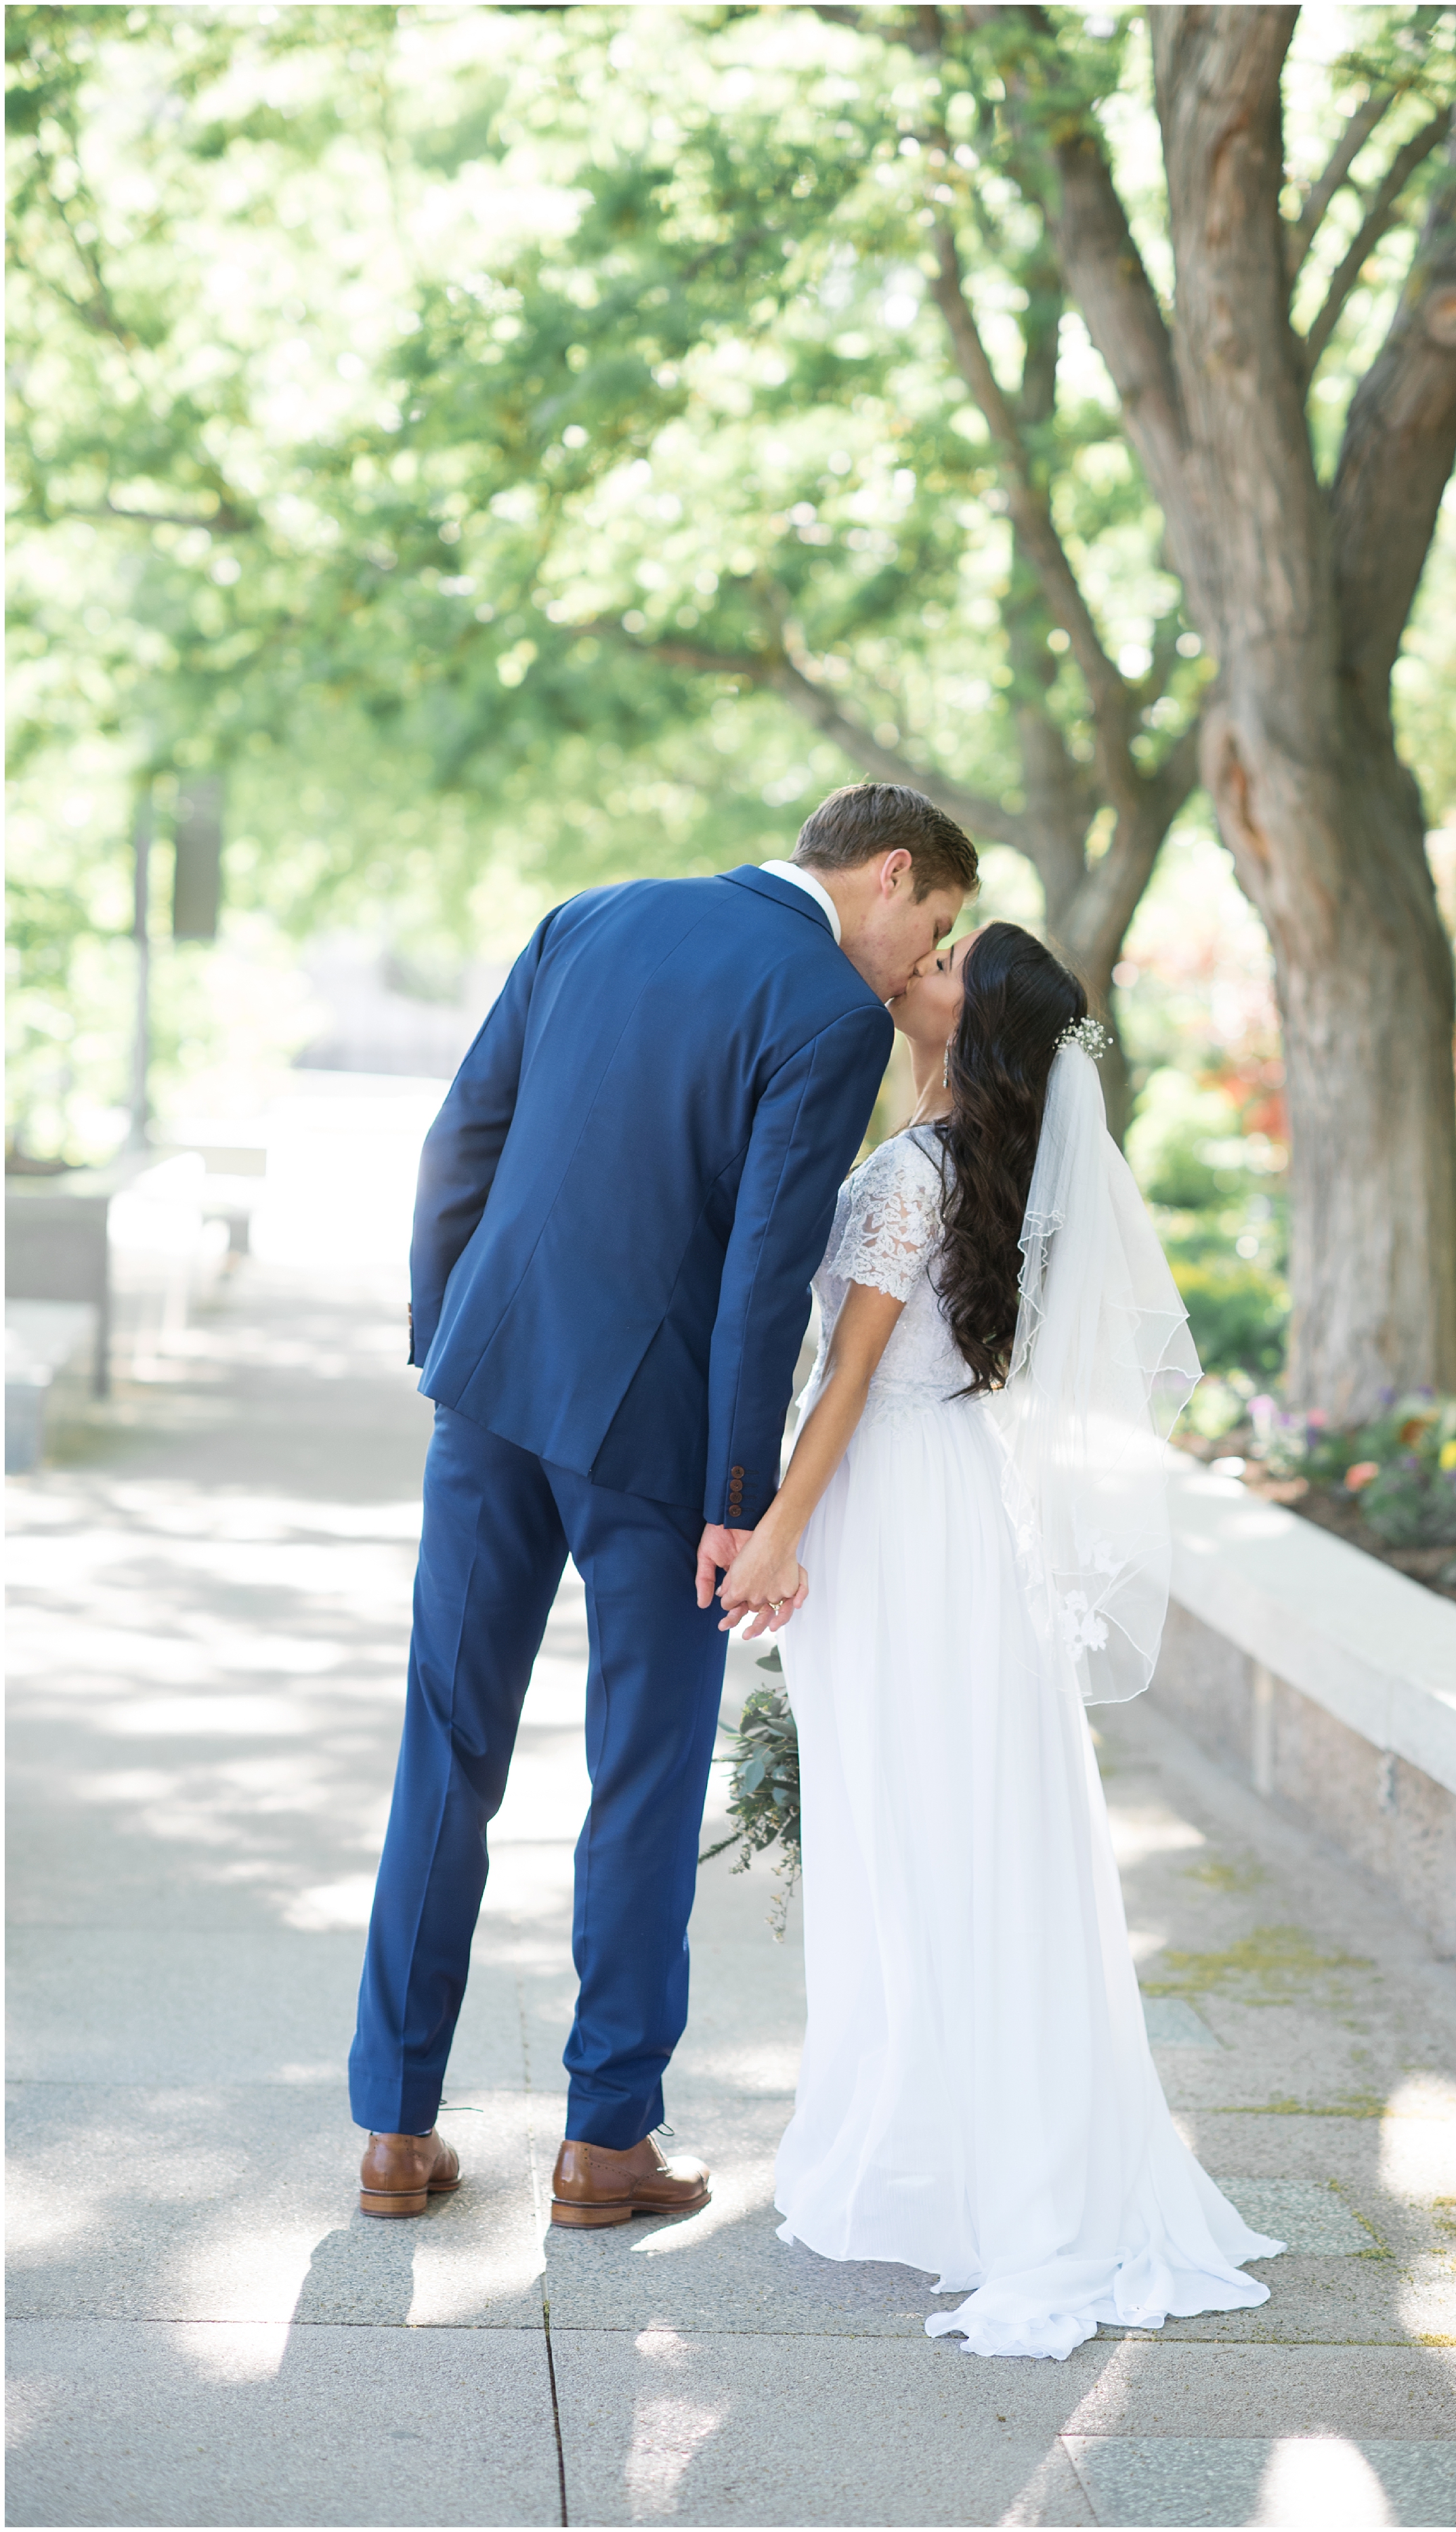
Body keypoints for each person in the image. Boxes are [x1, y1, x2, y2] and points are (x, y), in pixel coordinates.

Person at [349, 784, 977, 2223]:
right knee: (640, 1776)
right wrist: (739, 1500)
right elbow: (763, 1272)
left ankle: (392, 2127)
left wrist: (446, 1338)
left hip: (489, 1394)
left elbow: (465, 1137)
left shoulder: (590, 918)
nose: (912, 963)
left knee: (444, 1746)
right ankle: (604, 2142)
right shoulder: (830, 1012)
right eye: (927, 928)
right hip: (651, 1451)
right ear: (888, 875)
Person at [716, 922, 1285, 2359]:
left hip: (893, 1508)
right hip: (955, 1508)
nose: (919, 967)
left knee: (914, 1829)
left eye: (947, 961)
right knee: (942, 1825)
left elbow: (845, 1380)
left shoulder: (918, 1172)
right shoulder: (982, 1166)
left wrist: (778, 1528)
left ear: (976, 1025)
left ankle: (972, 2177)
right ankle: (941, 2155)